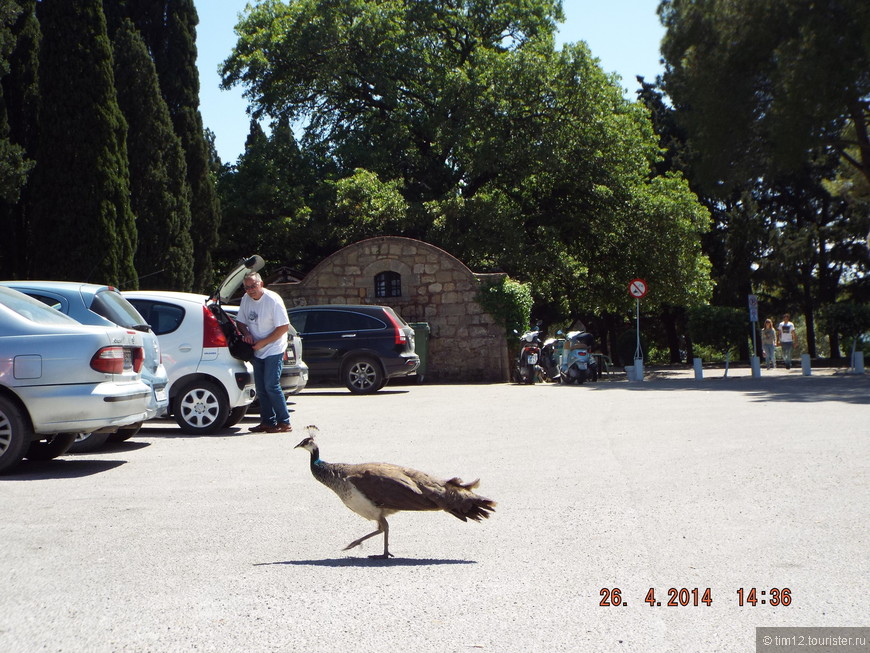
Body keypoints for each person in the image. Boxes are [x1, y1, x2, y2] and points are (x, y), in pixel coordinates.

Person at [235, 272, 292, 433]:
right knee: (260, 387)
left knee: (271, 385)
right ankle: (267, 421)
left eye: (253, 286)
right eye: (247, 287)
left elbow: (283, 327)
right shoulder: (246, 299)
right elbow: (240, 321)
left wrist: (263, 342)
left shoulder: (273, 300)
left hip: (274, 347)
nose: (250, 290)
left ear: (261, 284)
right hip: (257, 348)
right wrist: (246, 334)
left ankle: (284, 421)